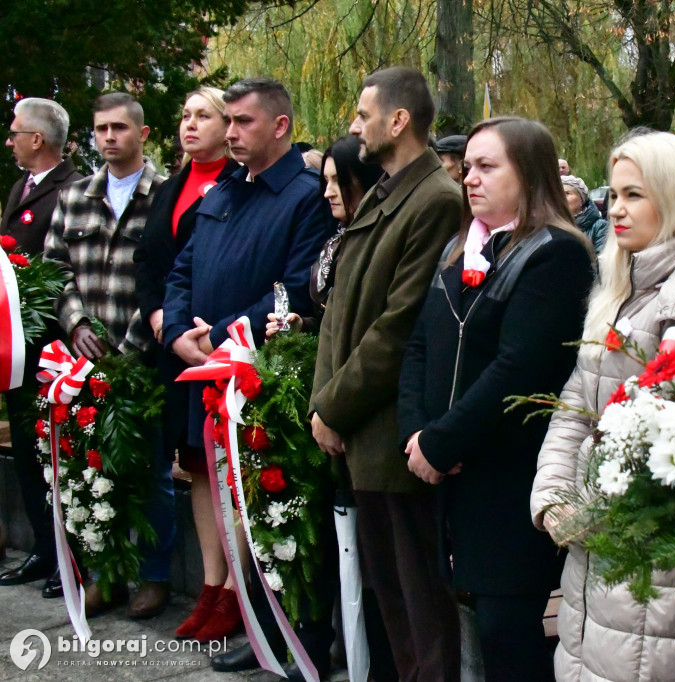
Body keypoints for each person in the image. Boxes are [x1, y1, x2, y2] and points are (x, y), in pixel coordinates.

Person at [531, 131, 675, 682]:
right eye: (613, 195)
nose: (616, 209)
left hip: (658, 566)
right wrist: (554, 496)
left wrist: (584, 503)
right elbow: (576, 401)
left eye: (635, 195)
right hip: (596, 547)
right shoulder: (624, 281)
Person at [399, 116, 593, 682]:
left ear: (528, 174)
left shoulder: (554, 253)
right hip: (451, 469)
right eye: (469, 167)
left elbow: (521, 367)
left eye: (488, 167)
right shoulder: (461, 247)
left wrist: (443, 439)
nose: (469, 179)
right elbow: (419, 344)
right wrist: (417, 430)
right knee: (477, 627)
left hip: (509, 474)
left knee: (508, 632)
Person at [161, 77, 332, 678]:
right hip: (205, 369)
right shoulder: (227, 187)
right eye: (226, 121)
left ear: (280, 126)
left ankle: (290, 631)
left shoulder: (306, 195)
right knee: (230, 496)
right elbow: (183, 265)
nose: (229, 133)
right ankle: (258, 623)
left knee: (271, 503)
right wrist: (178, 329)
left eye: (243, 122)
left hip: (262, 374)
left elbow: (296, 284)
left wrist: (224, 334)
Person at [308, 66, 462, 682]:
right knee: (390, 600)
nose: (353, 126)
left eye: (363, 114)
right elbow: (340, 308)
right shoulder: (386, 189)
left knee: (418, 603)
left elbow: (397, 328)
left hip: (391, 432)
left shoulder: (434, 200)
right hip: (360, 430)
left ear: (398, 121)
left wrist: (333, 407)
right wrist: (325, 404)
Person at [43, 92, 173, 618]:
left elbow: (166, 277)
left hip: (141, 356)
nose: (109, 137)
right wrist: (74, 324)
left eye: (120, 128)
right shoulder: (75, 197)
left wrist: (133, 347)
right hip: (84, 363)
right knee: (90, 466)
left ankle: (155, 575)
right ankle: (103, 573)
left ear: (142, 134)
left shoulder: (164, 194)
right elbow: (52, 269)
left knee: (152, 471)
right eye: (101, 129)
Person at [133, 87, 243, 642]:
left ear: (231, 126)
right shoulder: (171, 187)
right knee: (194, 462)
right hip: (173, 345)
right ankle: (209, 582)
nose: (189, 124)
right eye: (185, 115)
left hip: (219, 346)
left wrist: (194, 331)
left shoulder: (236, 184)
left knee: (226, 463)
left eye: (204, 115)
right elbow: (153, 259)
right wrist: (160, 317)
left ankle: (233, 591)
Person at [0, 97, 83, 600]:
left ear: (38, 139)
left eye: (15, 132)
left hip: (52, 345)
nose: (9, 140)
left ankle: (70, 553)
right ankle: (42, 549)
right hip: (17, 348)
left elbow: (57, 267)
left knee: (58, 453)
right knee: (29, 454)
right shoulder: (19, 188)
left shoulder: (70, 190)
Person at [268, 135, 383, 338]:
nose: (328, 193)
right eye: (326, 181)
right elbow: (328, 323)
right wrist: (301, 325)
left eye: (339, 181)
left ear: (365, 179)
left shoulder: (380, 239)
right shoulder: (335, 239)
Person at [562, 174, 608, 254]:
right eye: (559, 193)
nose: (562, 197)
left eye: (567, 193)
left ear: (581, 200)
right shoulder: (552, 225)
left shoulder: (600, 227)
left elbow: (602, 261)